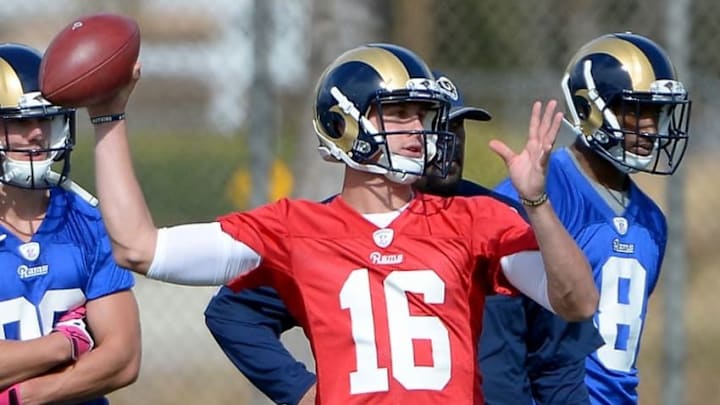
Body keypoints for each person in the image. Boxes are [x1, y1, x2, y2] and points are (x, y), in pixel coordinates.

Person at [85, 42, 598, 404]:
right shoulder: (295, 227)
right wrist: (108, 119)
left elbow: (578, 302)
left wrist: (537, 203)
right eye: (399, 114)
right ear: (343, 123)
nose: (418, 130)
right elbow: (139, 248)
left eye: (422, 115)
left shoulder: (473, 217)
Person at [203, 71, 532, 405]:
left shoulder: (501, 218)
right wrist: (299, 389)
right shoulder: (333, 233)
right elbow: (232, 312)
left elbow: (558, 345)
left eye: (458, 128)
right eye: (440, 126)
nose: (449, 141)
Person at [493, 32, 690, 405]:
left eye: (657, 112)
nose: (650, 127)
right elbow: (500, 328)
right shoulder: (536, 194)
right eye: (637, 110)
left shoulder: (652, 220)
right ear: (589, 110)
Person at [0, 43, 141, 405]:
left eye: (45, 120)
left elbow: (123, 359)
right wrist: (62, 345)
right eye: (20, 121)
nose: (37, 134)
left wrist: (29, 394)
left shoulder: (87, 220)